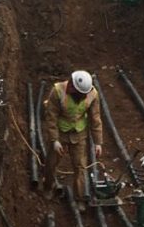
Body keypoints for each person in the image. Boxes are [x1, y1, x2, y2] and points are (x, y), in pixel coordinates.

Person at [42, 70, 103, 200]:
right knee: (52, 162)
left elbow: (95, 118)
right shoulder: (58, 91)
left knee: (80, 166)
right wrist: (54, 140)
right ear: (72, 86)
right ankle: (48, 187)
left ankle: (80, 197)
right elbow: (51, 117)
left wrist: (98, 142)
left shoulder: (92, 94)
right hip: (60, 132)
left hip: (79, 133)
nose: (82, 96)